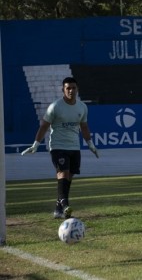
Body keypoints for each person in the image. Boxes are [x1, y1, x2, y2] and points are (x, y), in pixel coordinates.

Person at [21, 77, 99, 218]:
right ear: (63, 90)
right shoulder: (55, 106)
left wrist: (90, 144)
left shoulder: (82, 107)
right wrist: (36, 144)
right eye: (68, 88)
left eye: (73, 88)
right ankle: (66, 207)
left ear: (77, 89)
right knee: (63, 173)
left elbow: (84, 126)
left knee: (68, 177)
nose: (71, 90)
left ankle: (58, 209)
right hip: (58, 146)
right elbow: (44, 126)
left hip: (74, 147)